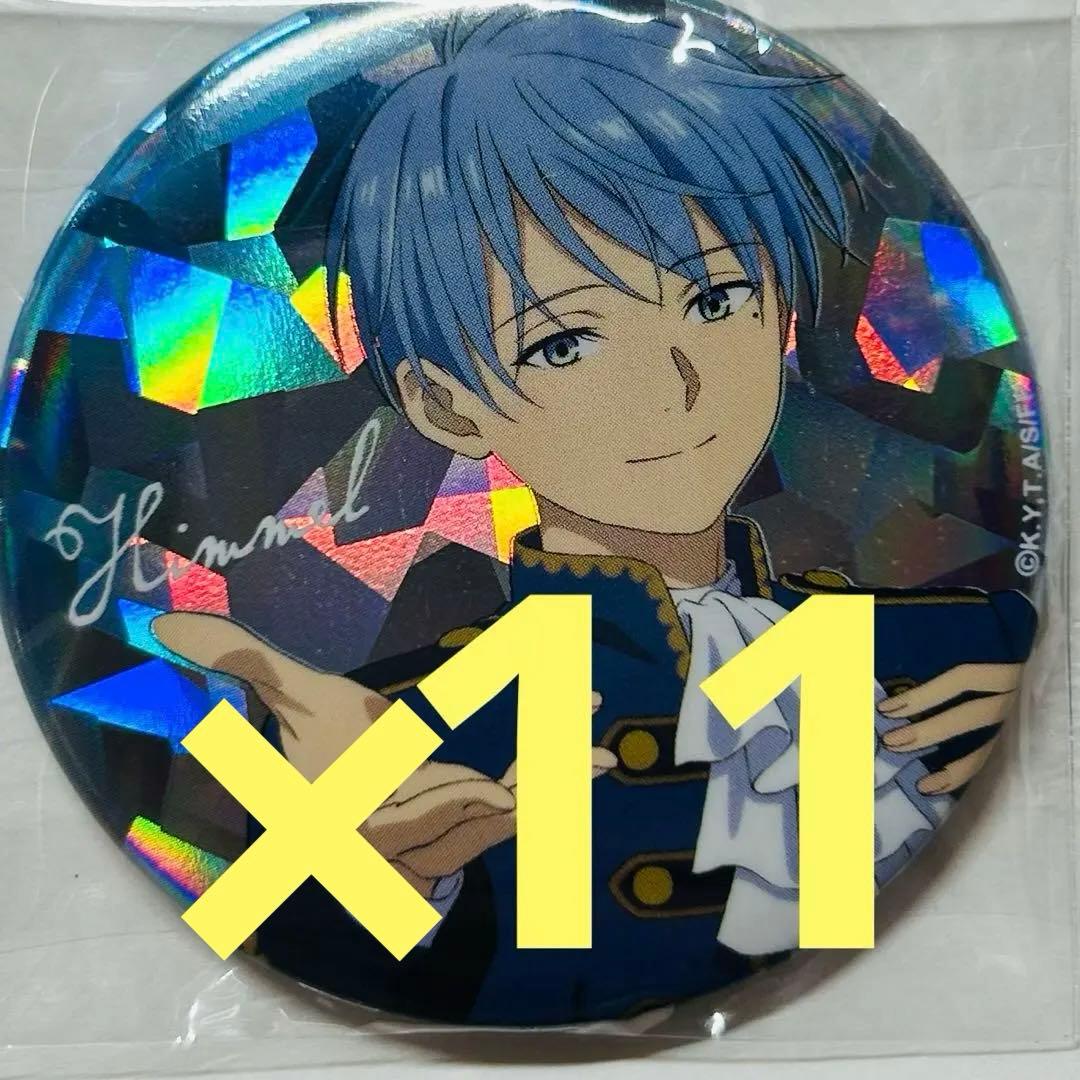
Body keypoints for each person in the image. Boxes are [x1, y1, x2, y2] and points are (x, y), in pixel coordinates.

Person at [154, 8, 1035, 1024]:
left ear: (781, 311)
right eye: (564, 343)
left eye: (716, 300)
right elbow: (302, 960)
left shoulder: (948, 648)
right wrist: (370, 874)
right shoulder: (412, 727)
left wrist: (1007, 751)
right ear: (445, 404)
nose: (675, 386)